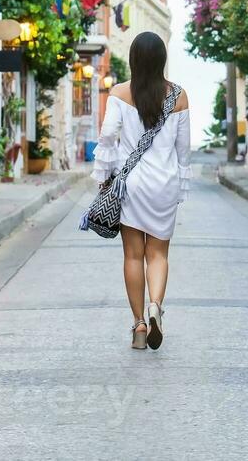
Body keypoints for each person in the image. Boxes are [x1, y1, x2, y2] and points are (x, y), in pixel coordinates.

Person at [92, 32, 191, 351]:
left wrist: (103, 177)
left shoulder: (119, 93)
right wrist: (181, 187)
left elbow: (107, 139)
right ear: (162, 59)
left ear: (133, 59)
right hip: (164, 184)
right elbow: (183, 151)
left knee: (133, 255)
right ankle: (155, 308)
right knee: (158, 254)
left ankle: (138, 325)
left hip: (131, 185)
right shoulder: (179, 96)